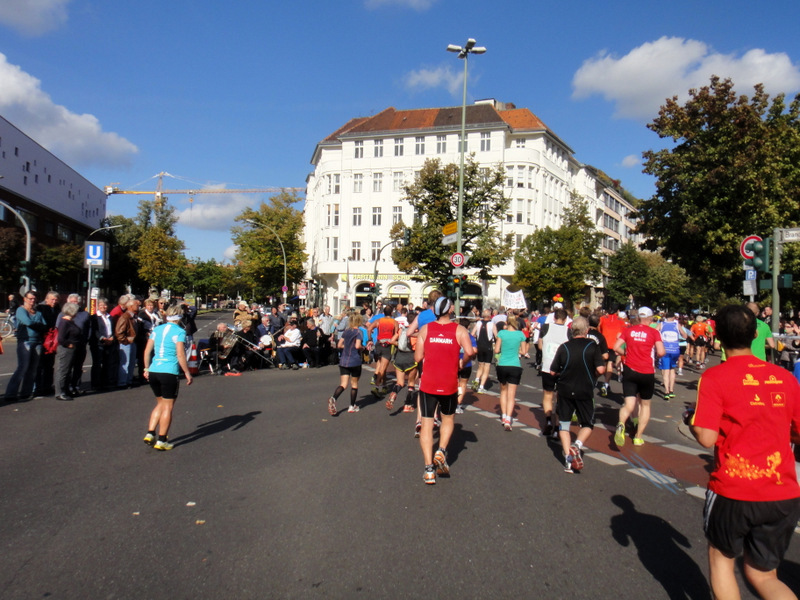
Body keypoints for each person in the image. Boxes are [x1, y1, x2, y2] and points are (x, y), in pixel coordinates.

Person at [689, 304, 800, 598]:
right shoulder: (785, 378)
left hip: (734, 491)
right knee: (763, 575)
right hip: (782, 492)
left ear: (717, 337)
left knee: (722, 560)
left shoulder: (715, 378)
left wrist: (692, 421)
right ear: (754, 334)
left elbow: (706, 438)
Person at [414, 297, 475, 485]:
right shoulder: (460, 330)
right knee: (448, 418)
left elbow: (418, 357)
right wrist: (461, 363)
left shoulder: (426, 329)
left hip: (428, 382)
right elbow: (470, 352)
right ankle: (441, 450)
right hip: (448, 382)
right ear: (449, 310)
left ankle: (428, 469)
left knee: (426, 423)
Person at [550, 317, 606, 473]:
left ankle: (568, 459)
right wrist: (594, 376)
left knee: (564, 424)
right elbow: (601, 370)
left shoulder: (564, 347)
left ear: (571, 330)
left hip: (565, 389)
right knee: (587, 424)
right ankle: (577, 445)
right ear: (587, 330)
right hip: (585, 389)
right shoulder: (592, 345)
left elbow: (553, 370)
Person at [142, 305, 194, 451]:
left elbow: (147, 350)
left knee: (160, 403)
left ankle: (150, 432)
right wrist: (187, 372)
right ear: (180, 318)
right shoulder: (179, 331)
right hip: (169, 371)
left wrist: (146, 368)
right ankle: (162, 439)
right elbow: (180, 354)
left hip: (154, 369)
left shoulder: (157, 329)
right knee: (168, 406)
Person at [613, 307, 665, 447]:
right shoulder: (654, 332)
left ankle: (621, 424)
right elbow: (660, 352)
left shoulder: (629, 330)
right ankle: (638, 437)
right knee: (645, 404)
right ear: (650, 318)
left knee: (629, 404)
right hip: (647, 372)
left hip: (630, 370)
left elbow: (615, 347)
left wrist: (626, 352)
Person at [5, 291, 46, 401]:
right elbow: (28, 322)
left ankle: (26, 392)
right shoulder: (20, 310)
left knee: (32, 369)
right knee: (23, 367)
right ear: (25, 299)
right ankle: (10, 393)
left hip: (37, 342)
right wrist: (37, 325)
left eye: (34, 299)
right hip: (25, 341)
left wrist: (36, 325)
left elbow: (44, 325)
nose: (32, 301)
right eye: (30, 298)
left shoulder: (37, 312)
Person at [538, 308, 570, 436]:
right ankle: (557, 426)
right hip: (562, 368)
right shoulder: (569, 331)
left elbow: (540, 346)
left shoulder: (545, 328)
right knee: (560, 397)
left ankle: (548, 421)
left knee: (547, 395)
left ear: (554, 317)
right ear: (566, 319)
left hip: (547, 366)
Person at [494, 315, 528, 431]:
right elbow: (524, 352)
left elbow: (497, 350)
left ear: (506, 322)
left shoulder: (502, 333)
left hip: (502, 364)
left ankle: (503, 416)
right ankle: (508, 418)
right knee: (511, 394)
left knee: (503, 391)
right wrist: (516, 349)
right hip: (515, 365)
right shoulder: (520, 334)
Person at [327, 312, 364, 415]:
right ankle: (352, 406)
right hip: (355, 360)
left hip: (344, 360)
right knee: (354, 384)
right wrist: (362, 347)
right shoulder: (359, 332)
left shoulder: (346, 331)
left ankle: (334, 398)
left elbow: (339, 344)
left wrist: (347, 347)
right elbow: (357, 346)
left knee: (343, 384)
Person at [367, 305, 398, 396]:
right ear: (392, 313)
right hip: (387, 345)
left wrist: (370, 339)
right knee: (383, 367)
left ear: (383, 313)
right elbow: (396, 334)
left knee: (381, 365)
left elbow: (369, 329)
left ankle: (384, 385)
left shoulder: (379, 321)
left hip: (378, 344)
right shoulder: (394, 322)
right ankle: (376, 387)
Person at [55, 302, 82, 401]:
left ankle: (66, 390)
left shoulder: (71, 321)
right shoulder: (64, 322)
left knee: (68, 371)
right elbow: (61, 338)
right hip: (65, 349)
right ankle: (60, 392)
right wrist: (68, 344)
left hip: (72, 349)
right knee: (62, 370)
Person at [89, 297, 117, 391]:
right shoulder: (94, 317)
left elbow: (113, 329)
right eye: (101, 305)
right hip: (98, 344)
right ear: (97, 307)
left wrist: (112, 337)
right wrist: (102, 338)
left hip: (109, 342)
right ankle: (95, 383)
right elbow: (94, 331)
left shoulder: (110, 317)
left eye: (105, 305)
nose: (103, 307)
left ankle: (105, 382)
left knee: (107, 363)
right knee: (97, 364)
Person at [657, 313, 684, 400]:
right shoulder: (677, 324)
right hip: (675, 349)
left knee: (666, 371)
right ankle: (672, 390)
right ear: (673, 317)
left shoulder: (661, 324)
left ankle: (666, 391)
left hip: (665, 349)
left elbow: (654, 332)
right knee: (672, 369)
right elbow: (684, 335)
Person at [114, 297, 140, 388]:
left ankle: (129, 380)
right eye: (136, 305)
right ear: (130, 306)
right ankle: (122, 382)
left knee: (132, 363)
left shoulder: (133, 316)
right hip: (126, 343)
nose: (138, 306)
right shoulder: (125, 317)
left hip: (133, 342)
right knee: (125, 363)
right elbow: (119, 332)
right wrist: (125, 341)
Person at [471, 309, 495, 393]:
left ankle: (477, 380)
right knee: (487, 366)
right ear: (489, 316)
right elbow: (496, 335)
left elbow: (472, 334)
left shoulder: (478, 323)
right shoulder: (492, 324)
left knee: (480, 365)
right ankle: (481, 386)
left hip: (479, 346)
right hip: (488, 347)